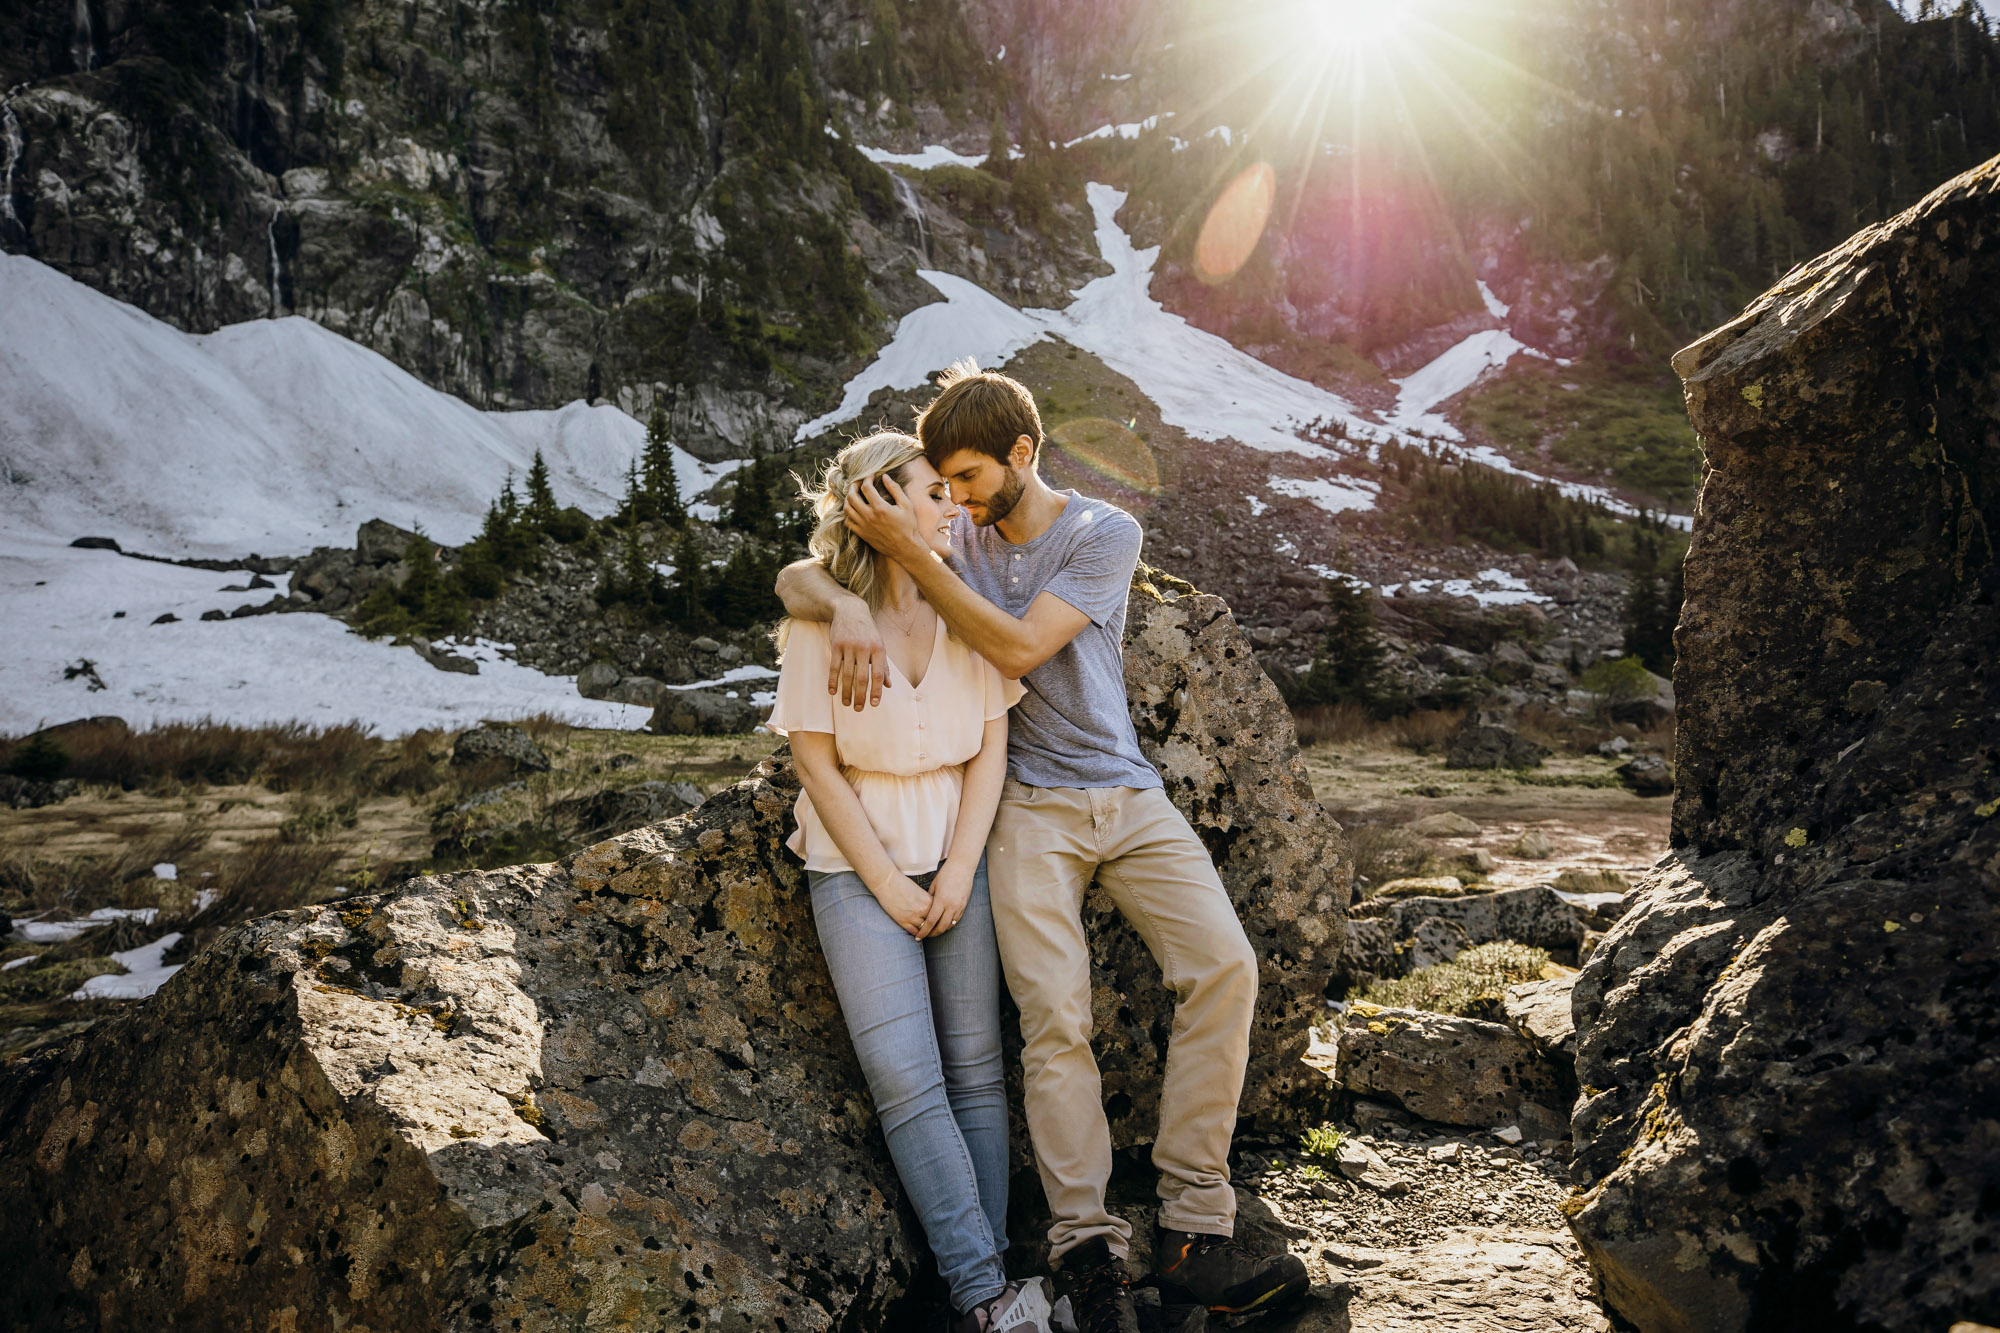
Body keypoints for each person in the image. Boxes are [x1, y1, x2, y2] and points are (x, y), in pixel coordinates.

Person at [776, 365, 1309, 1332]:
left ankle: (1194, 1223)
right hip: (1028, 809)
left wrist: (915, 553)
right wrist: (843, 597)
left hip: (1126, 790)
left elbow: (1020, 650)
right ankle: (1085, 1246)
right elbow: (811, 569)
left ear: (1023, 454)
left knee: (1225, 966)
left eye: (971, 477)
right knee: (1054, 1016)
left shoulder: (1104, 533)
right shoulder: (952, 534)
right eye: (946, 484)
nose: (961, 500)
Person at [766, 431, 1052, 1333]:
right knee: (907, 1080)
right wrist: (889, 884)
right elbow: (815, 764)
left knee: (976, 1074)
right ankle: (982, 1295)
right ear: (879, 506)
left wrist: (960, 870)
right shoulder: (822, 620)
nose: (951, 507)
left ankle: (994, 1284)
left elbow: (992, 746)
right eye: (932, 493)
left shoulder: (960, 604)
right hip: (856, 871)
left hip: (957, 860)